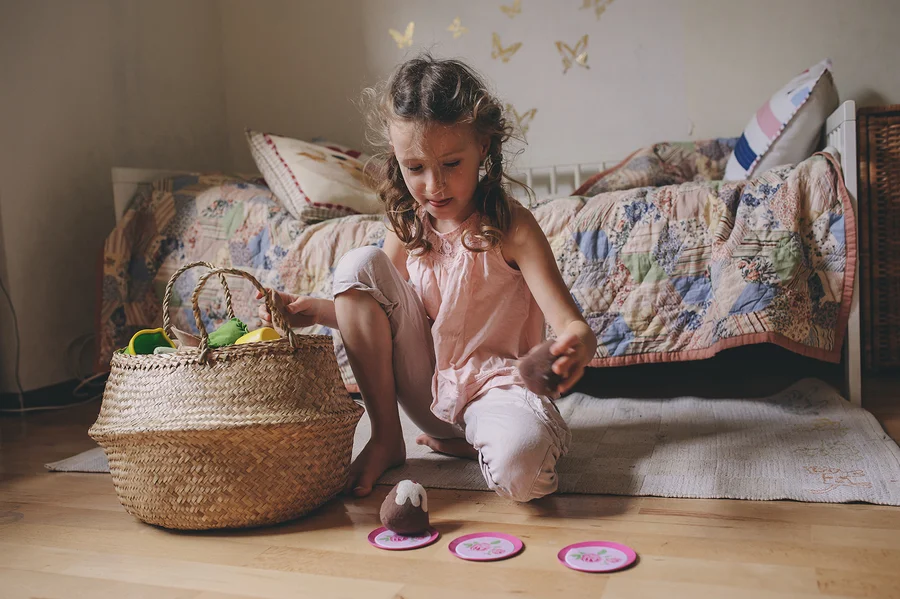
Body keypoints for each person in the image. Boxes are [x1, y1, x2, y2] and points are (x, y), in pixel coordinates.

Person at [259, 54, 597, 502]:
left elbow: (573, 326)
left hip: (496, 390)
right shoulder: (409, 224)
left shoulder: (512, 226)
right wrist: (316, 312)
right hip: (428, 393)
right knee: (358, 265)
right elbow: (382, 316)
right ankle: (386, 437)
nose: (434, 185)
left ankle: (477, 442)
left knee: (524, 471)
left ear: (483, 146)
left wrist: (574, 347)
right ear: (395, 155)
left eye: (451, 164)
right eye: (415, 168)